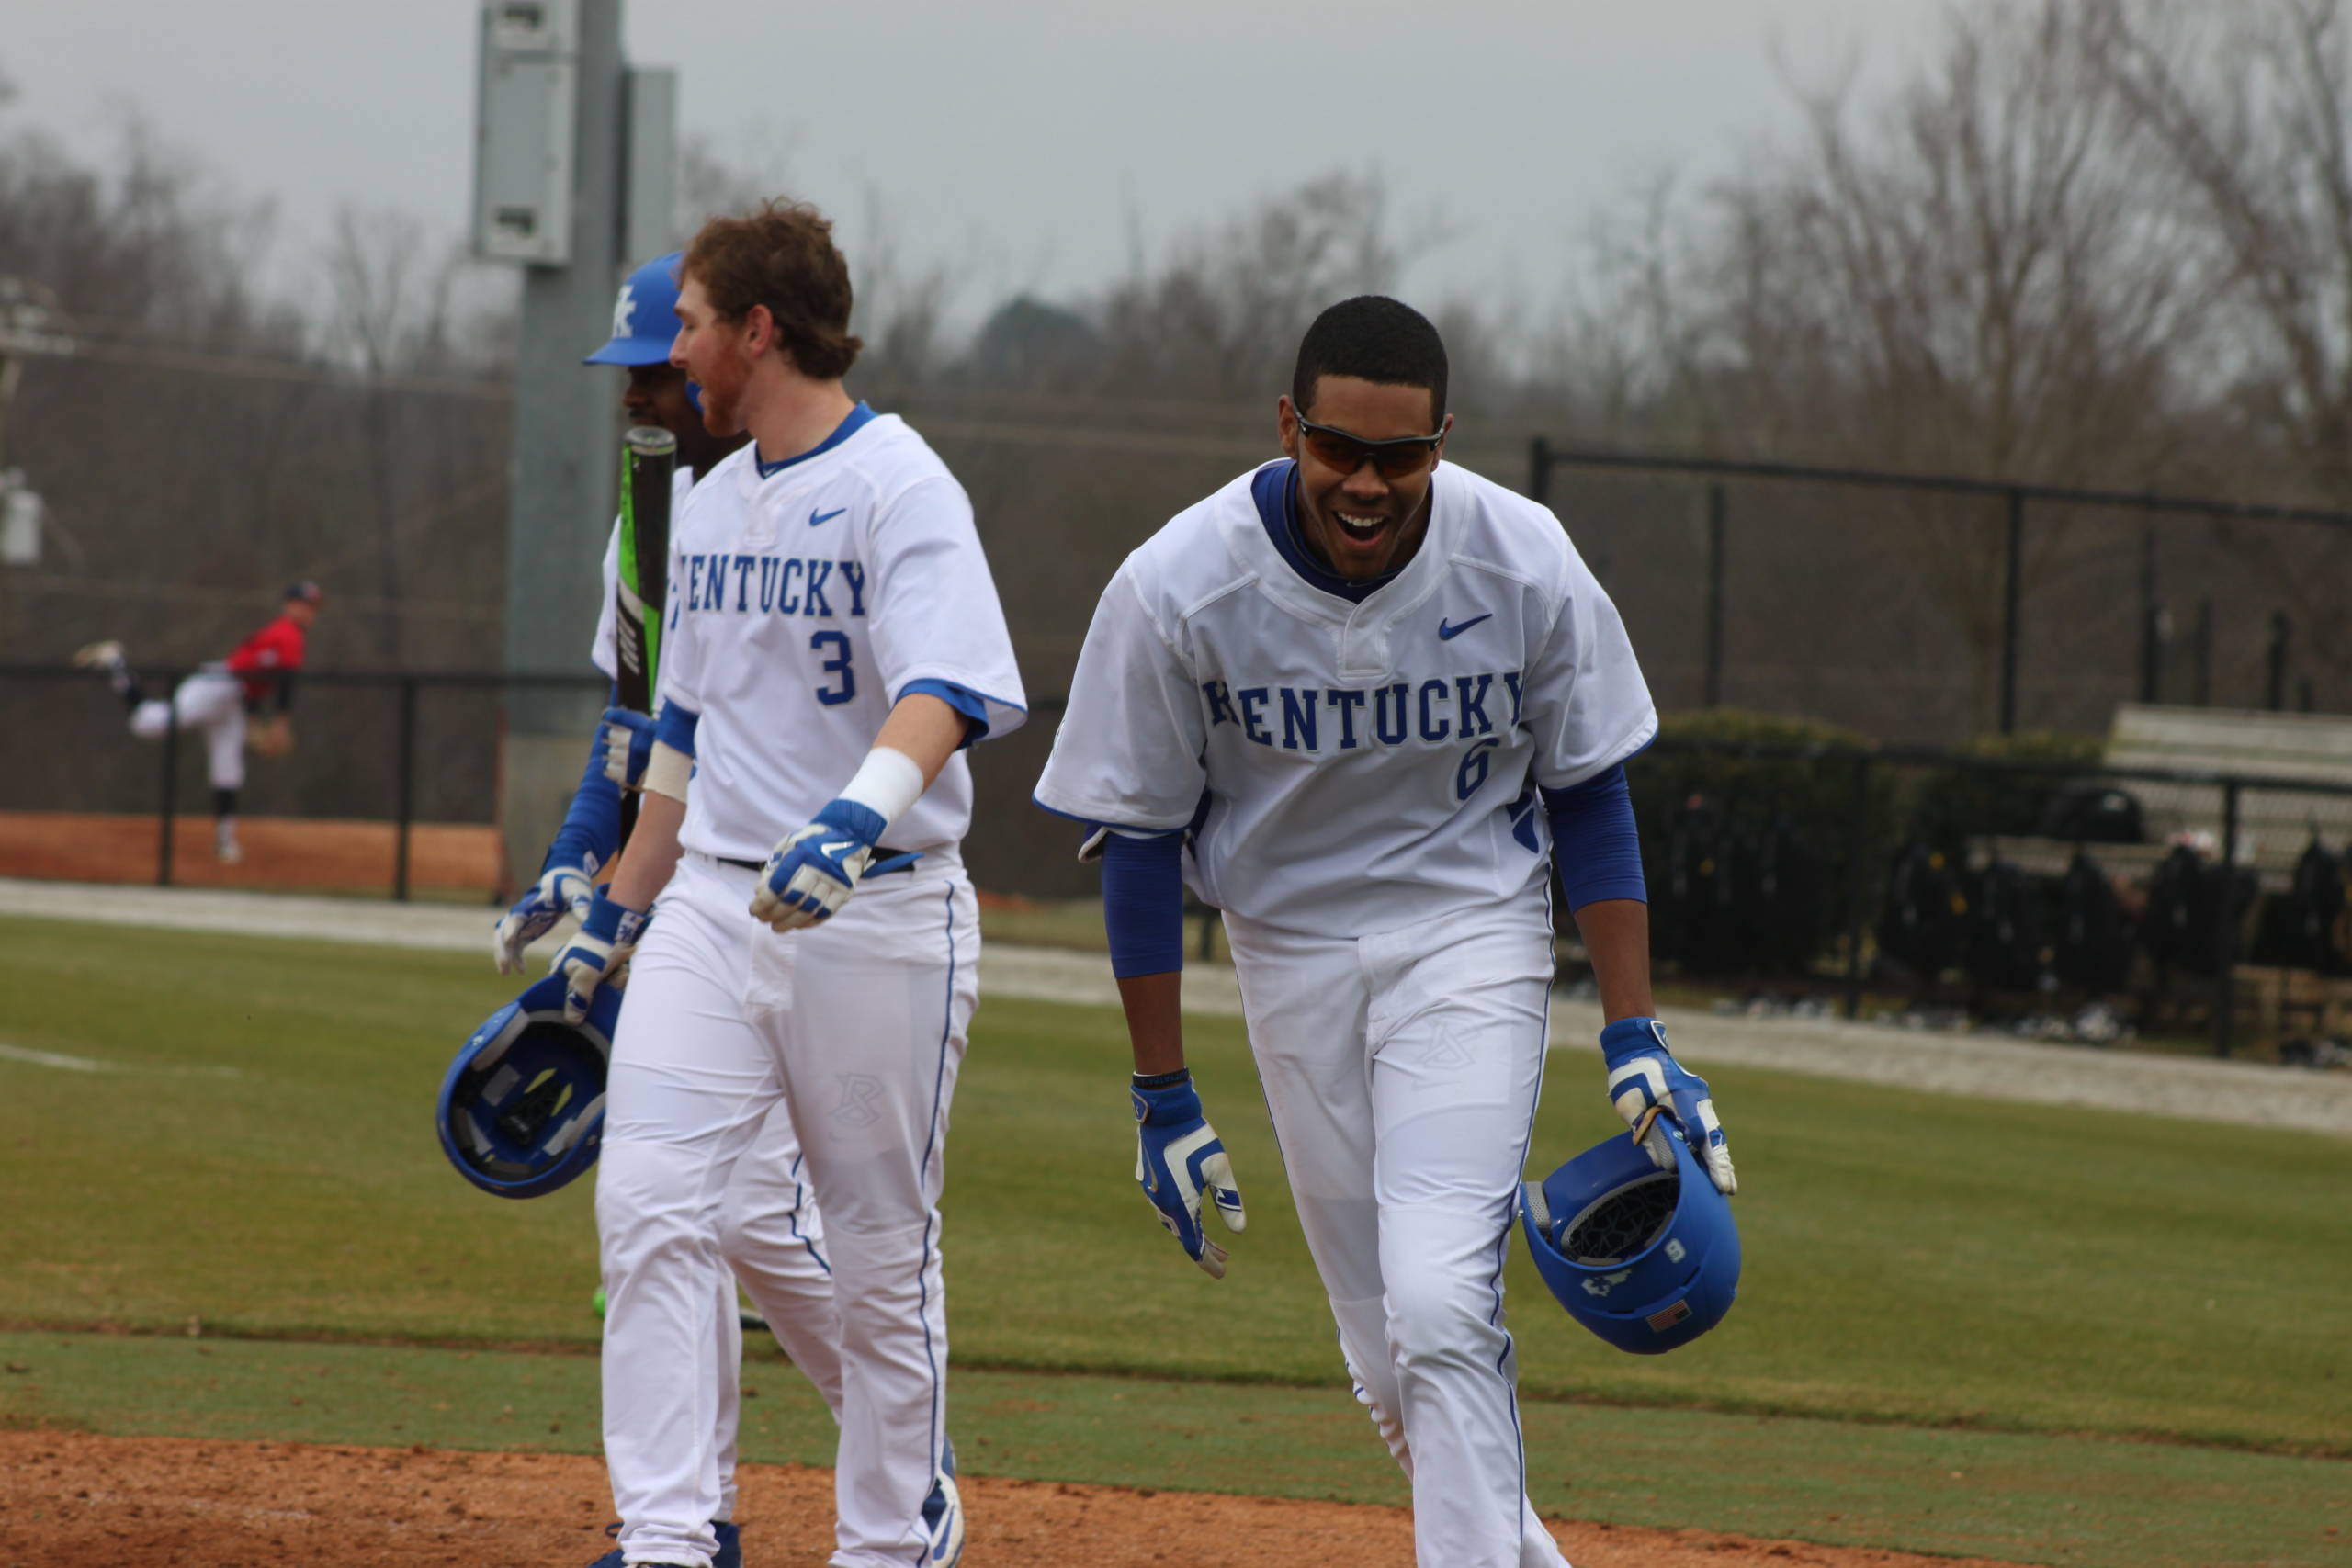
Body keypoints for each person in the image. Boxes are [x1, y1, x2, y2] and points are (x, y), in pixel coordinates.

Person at [1032, 295, 1736, 1568]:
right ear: (1288, 424)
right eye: (1339, 448)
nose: (1367, 482)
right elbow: (1136, 835)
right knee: (1384, 1357)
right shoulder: (1179, 581)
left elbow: (1590, 786)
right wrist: (1161, 1091)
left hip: (1468, 932)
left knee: (1438, 1305)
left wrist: (1634, 1026)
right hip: (1287, 948)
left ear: (1444, 440)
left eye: (1401, 456)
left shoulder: (1520, 558)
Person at [549, 199, 1025, 1568]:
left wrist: (855, 817)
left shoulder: (900, 482)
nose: (677, 350)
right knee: (648, 1207)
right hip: (712, 903)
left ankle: (893, 1538)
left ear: (760, 327)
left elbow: (954, 687)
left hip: (876, 911)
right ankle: (666, 1536)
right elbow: (682, 737)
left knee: (878, 1252)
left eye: (692, 322)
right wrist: (614, 917)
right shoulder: (704, 500)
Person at [487, 251, 842, 1568]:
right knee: (664, 1209)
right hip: (684, 892)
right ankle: (687, 1531)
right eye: (630, 370)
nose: (640, 390)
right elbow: (636, 725)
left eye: (657, 362)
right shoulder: (648, 509)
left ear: (729, 358)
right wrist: (579, 862)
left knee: (748, 1216)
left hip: (817, 908)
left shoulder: (818, 497)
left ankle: (902, 1453)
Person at [74, 581, 324, 863]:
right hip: (218, 684)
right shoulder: (288, 633)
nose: (309, 612)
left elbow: (259, 679)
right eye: (304, 604)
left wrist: (253, 719)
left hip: (235, 698)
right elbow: (283, 680)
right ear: (289, 604)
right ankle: (116, 663)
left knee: (228, 766)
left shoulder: (286, 635)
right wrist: (280, 723)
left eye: (313, 607)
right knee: (149, 723)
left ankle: (225, 841)